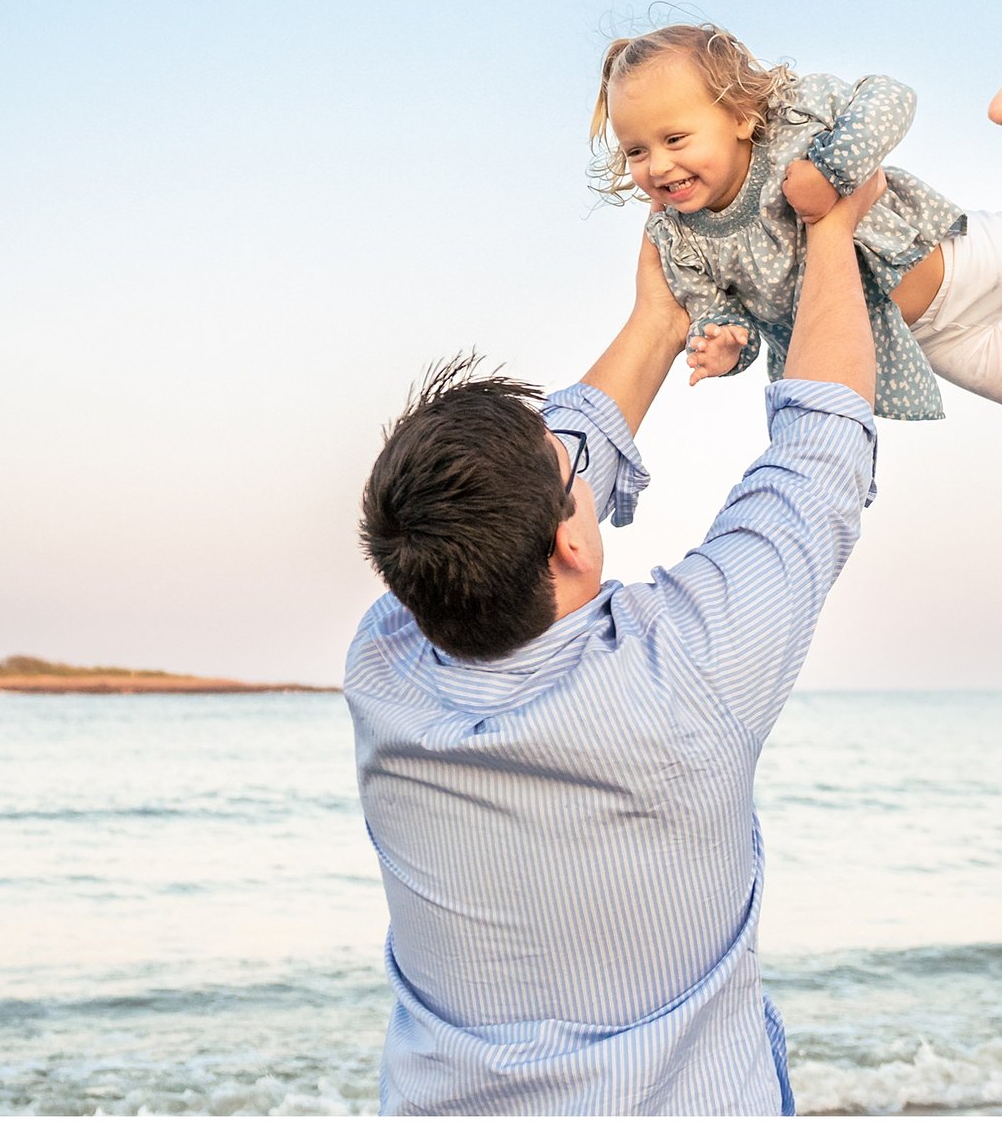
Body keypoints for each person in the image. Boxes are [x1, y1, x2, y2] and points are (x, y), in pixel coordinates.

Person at [346, 167, 888, 1115]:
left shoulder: (386, 657)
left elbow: (549, 465)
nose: (579, 453)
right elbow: (818, 455)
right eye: (572, 471)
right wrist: (833, 231)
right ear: (571, 541)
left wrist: (657, 318)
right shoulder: (684, 671)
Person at [590, 24, 1002, 422]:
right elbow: (715, 316)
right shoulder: (678, 239)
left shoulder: (791, 126)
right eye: (637, 151)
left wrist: (833, 167)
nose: (657, 165)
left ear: (738, 115)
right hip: (916, 336)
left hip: (952, 262)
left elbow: (890, 96)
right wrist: (725, 344)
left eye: (675, 138)